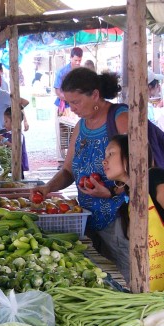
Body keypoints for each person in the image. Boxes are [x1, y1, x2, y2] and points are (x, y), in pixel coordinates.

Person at [31, 67, 129, 277]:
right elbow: (68, 170)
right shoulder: (80, 126)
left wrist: (112, 192)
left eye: (75, 102)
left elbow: (142, 167)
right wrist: (48, 188)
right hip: (88, 219)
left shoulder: (120, 118)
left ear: (95, 94)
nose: (71, 107)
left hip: (120, 220)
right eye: (68, 102)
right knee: (105, 275)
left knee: (131, 273)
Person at [102, 134, 164, 284]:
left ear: (132, 154)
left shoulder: (153, 177)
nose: (104, 161)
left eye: (111, 154)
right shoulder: (130, 197)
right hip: (156, 293)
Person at [0, 106, 29, 179]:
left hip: (18, 164)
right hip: (10, 164)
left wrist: (3, 139)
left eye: (6, 121)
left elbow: (14, 147)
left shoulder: (19, 135)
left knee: (17, 180)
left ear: (14, 121)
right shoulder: (7, 133)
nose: (4, 124)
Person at [54, 47, 83, 113]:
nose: (78, 63)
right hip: (64, 107)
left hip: (79, 106)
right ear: (70, 58)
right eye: (76, 60)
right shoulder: (61, 72)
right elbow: (58, 91)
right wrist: (72, 100)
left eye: (80, 60)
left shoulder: (82, 72)